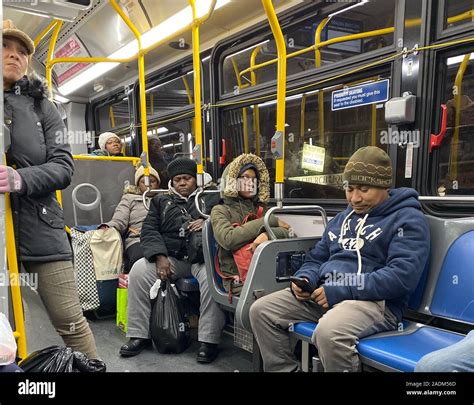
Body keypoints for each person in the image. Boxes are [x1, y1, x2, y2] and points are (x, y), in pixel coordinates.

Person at [249, 146, 430, 372]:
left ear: (384, 186)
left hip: (376, 303)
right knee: (261, 310)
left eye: (364, 189)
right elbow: (317, 257)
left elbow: (400, 277)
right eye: (350, 189)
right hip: (329, 294)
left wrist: (342, 288)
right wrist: (307, 277)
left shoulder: (407, 220)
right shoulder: (343, 219)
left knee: (329, 333)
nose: (354, 198)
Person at [2, 20, 98, 358]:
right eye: (5, 48)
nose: (14, 56)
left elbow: (63, 166)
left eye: (22, 52)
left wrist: (20, 180)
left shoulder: (45, 107)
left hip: (41, 229)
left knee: (70, 321)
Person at [120, 158, 225, 363]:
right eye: (177, 179)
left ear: (195, 180)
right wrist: (160, 257)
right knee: (139, 272)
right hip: (171, 257)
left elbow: (224, 220)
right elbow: (149, 231)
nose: (182, 183)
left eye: (187, 178)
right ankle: (138, 335)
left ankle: (208, 340)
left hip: (201, 258)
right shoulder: (161, 202)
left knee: (212, 280)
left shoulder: (210, 199)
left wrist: (207, 222)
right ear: (172, 182)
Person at [211, 153, 291, 295]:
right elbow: (228, 239)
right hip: (238, 280)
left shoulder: (260, 209)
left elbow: (287, 233)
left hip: (267, 273)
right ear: (232, 180)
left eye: (254, 179)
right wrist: (268, 222)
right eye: (245, 178)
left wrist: (267, 235)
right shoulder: (220, 211)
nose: (250, 183)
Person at [99, 165, 160, 273]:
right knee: (141, 261)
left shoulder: (164, 198)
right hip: (138, 239)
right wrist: (109, 227)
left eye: (152, 181)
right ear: (137, 185)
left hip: (161, 238)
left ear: (158, 184)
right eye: (143, 182)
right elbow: (119, 220)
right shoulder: (129, 199)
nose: (148, 184)